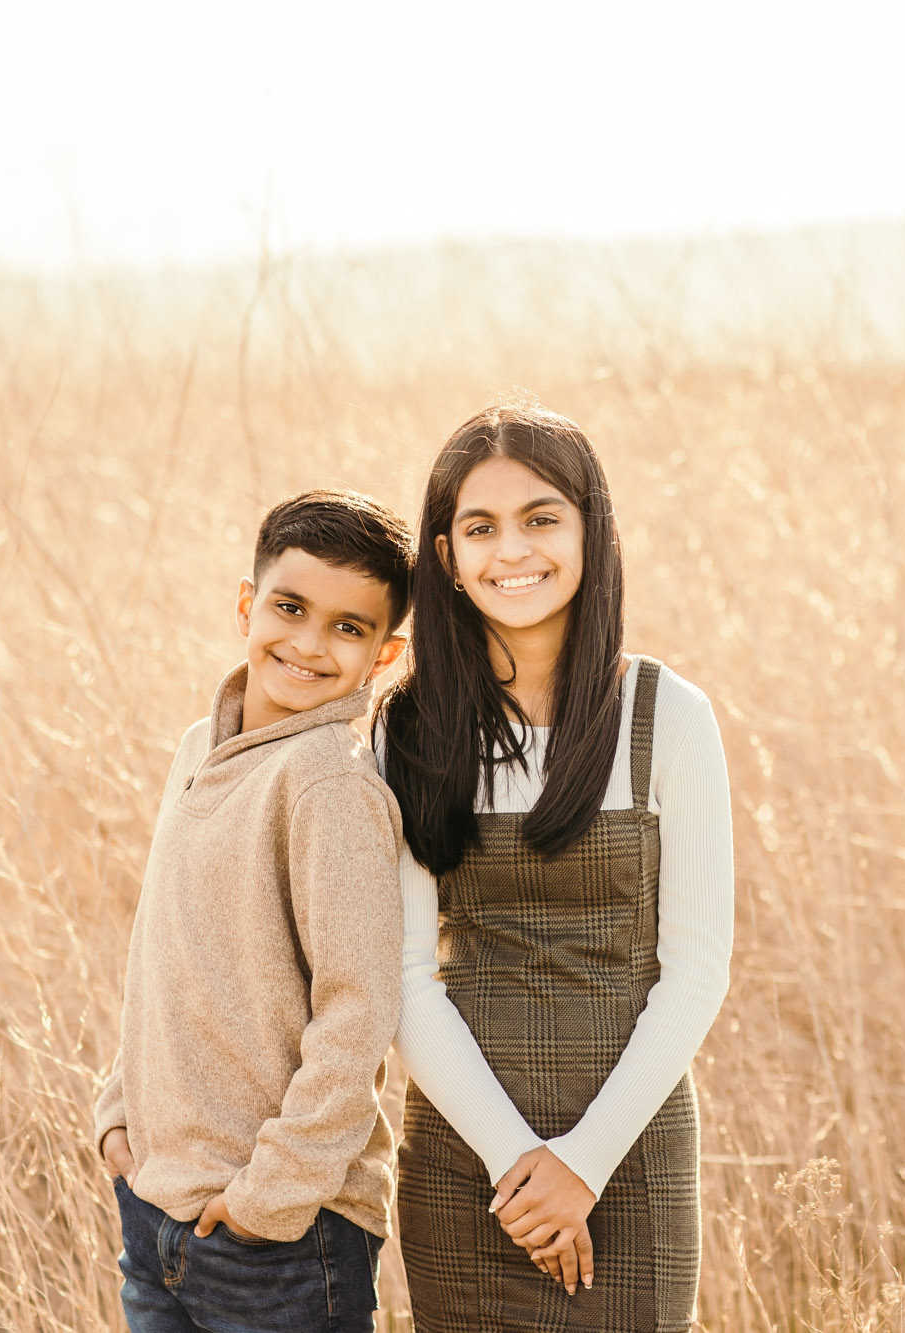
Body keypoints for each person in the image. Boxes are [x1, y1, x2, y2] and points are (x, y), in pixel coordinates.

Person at [381, 400, 735, 1332]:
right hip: (466, 1166)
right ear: (445, 555)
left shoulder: (669, 717)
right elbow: (406, 978)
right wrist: (514, 1163)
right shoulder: (409, 726)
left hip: (628, 1154)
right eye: (480, 527)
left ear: (591, 530)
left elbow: (696, 971)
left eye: (542, 518)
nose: (513, 551)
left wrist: (581, 1162)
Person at [93, 489, 413, 1333]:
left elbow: (360, 1009)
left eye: (349, 627)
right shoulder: (200, 747)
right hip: (159, 1208)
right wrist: (118, 1111)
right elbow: (164, 950)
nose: (309, 644)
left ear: (385, 655)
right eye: (291, 607)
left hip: (280, 1240)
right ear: (248, 603)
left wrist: (266, 1196)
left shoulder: (329, 782)